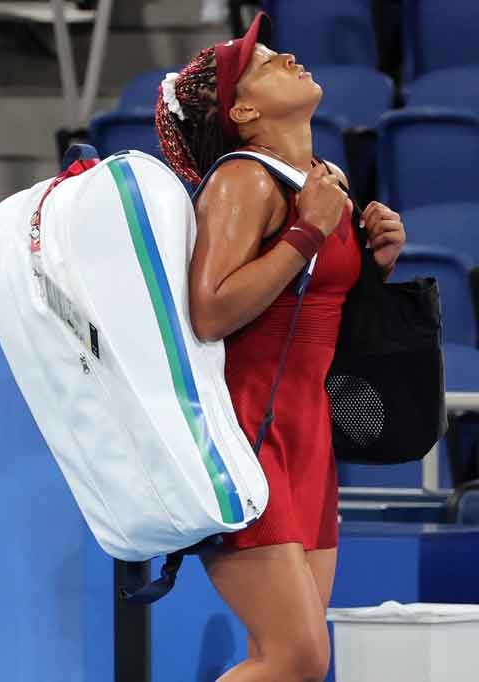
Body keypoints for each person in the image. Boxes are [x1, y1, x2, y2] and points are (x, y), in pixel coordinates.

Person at [155, 13, 406, 681]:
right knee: (297, 658)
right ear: (243, 111)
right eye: (265, 63)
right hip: (249, 436)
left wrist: (374, 264)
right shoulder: (242, 180)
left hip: (308, 441)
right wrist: (307, 235)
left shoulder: (324, 181)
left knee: (287, 663)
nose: (288, 57)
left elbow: (306, 311)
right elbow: (211, 311)